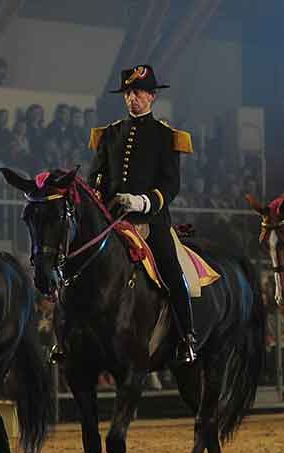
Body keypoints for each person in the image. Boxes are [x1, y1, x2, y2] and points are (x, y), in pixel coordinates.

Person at [88, 64, 200, 363]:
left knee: (171, 270)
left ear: (152, 96)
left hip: (150, 220)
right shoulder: (109, 134)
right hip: (113, 221)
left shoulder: (165, 136)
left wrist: (141, 202)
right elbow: (96, 176)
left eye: (137, 92)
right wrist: (98, 195)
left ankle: (187, 336)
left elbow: (170, 184)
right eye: (127, 93)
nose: (131, 98)